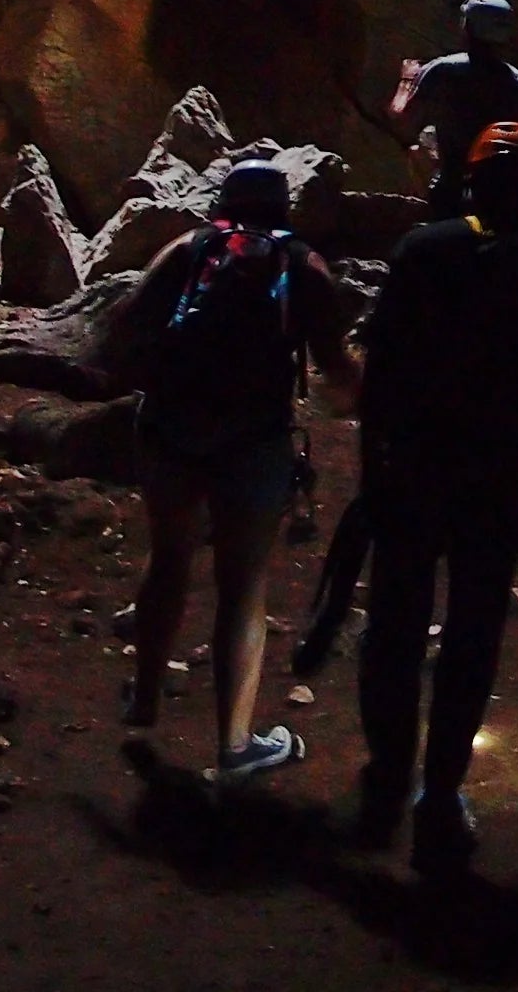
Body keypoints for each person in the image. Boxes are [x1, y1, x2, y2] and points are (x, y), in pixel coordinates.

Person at [350, 119, 518, 874]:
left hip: (418, 465)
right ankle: (438, 795)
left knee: (394, 626)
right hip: (500, 471)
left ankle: (387, 779)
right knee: (471, 634)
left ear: (471, 181)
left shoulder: (423, 251)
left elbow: (382, 375)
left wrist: (371, 472)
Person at [122, 159, 362, 784]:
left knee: (168, 559)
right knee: (242, 587)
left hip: (171, 432)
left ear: (221, 200)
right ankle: (234, 745)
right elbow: (336, 371)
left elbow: (127, 328)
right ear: (285, 207)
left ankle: (144, 701)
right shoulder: (304, 267)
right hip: (253, 442)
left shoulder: (188, 249)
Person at [386, 0, 518, 219]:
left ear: (467, 27)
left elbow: (400, 115)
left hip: (452, 185)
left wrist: (408, 80)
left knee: (417, 147)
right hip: (502, 189)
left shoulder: (442, 70)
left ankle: (427, 209)